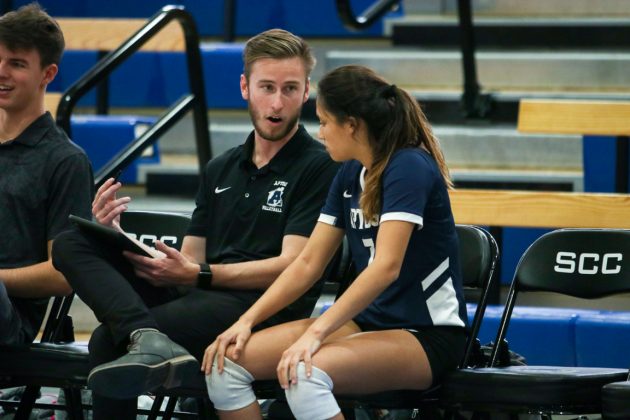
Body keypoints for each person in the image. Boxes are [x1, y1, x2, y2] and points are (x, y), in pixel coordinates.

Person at [52, 28, 338, 419]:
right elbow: (188, 261)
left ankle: (141, 335)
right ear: (244, 87)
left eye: (290, 89)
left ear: (307, 91)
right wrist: (120, 239)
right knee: (74, 242)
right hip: (201, 294)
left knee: (106, 339)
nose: (277, 102)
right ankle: (145, 334)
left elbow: (291, 265)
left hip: (263, 308)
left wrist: (198, 274)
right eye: (266, 87)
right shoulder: (221, 167)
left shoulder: (319, 166)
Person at [202, 64, 469, 420]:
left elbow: (386, 267)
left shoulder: (408, 166)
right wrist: (246, 321)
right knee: (224, 365)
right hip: (365, 322)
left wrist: (316, 333)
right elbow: (308, 264)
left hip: (426, 334)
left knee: (304, 373)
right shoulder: (347, 173)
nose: (321, 132)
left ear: (352, 125)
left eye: (325, 121)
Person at [0, 3, 93, 346]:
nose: (1, 72)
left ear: (48, 74)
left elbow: (62, 274)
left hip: (10, 321)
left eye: (17, 64)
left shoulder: (65, 161)